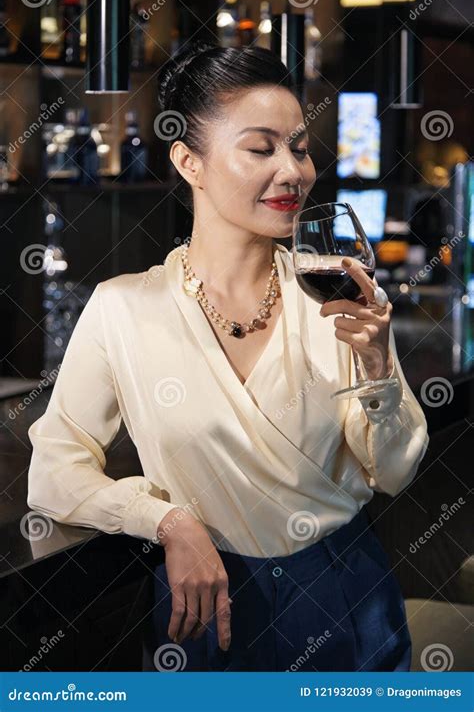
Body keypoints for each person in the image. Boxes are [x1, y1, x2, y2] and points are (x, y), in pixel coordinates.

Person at [27, 41, 429, 672]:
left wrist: (377, 368)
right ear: (189, 161)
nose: (294, 170)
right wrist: (166, 522)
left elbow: (395, 472)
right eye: (261, 148)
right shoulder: (123, 309)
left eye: (298, 146)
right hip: (202, 604)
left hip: (343, 594)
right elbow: (52, 473)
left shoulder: (342, 295)